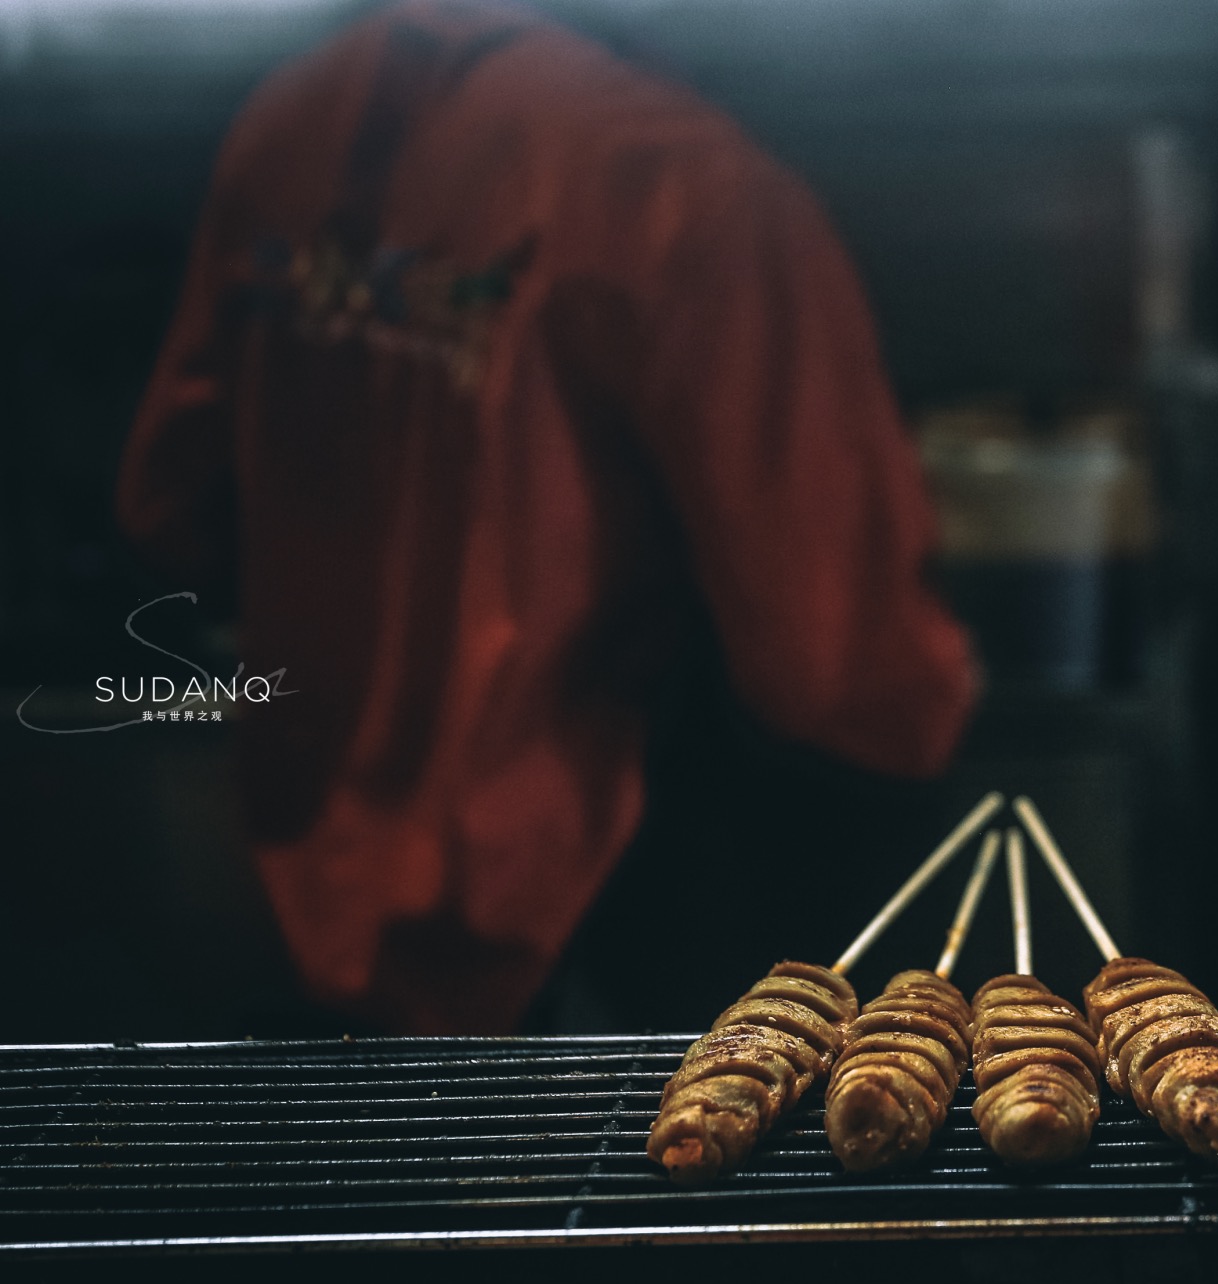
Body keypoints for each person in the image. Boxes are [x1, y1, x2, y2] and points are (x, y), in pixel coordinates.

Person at [116, 0, 978, 1035]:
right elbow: (844, 668)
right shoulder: (681, 183)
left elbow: (168, 506)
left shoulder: (296, 116)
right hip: (576, 896)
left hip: (306, 860)